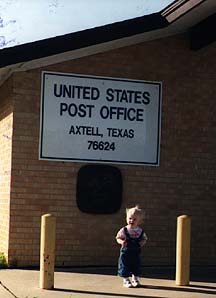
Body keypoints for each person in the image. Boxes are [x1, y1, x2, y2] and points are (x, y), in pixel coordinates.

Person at [116, 205, 148, 288]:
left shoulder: (140, 231)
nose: (131, 221)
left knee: (136, 265)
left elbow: (144, 238)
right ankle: (126, 280)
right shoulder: (124, 230)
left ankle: (135, 278)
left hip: (135, 252)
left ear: (139, 221)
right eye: (130, 218)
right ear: (127, 218)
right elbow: (118, 237)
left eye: (134, 219)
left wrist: (142, 243)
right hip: (126, 252)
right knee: (124, 265)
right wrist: (121, 242)